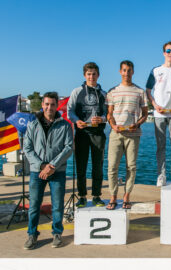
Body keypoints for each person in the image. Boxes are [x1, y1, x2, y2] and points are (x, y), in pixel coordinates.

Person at [23, 92, 73, 249]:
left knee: (57, 205)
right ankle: (32, 235)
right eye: (46, 104)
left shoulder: (64, 125)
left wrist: (52, 166)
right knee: (34, 206)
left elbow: (69, 147)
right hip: (36, 172)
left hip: (57, 172)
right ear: (42, 105)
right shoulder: (32, 125)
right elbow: (27, 148)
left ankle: (57, 234)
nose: (49, 107)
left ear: (56, 105)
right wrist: (41, 166)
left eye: (52, 104)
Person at [106, 60, 148, 210]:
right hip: (116, 134)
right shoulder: (112, 91)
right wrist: (113, 125)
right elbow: (109, 114)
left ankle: (126, 197)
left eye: (129, 70)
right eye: (124, 70)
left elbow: (145, 114)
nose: (126, 73)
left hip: (133, 134)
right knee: (112, 167)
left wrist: (137, 124)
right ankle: (113, 197)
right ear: (120, 72)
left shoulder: (140, 92)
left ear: (133, 72)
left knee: (131, 167)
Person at [146, 39, 171, 187]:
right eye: (168, 51)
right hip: (159, 114)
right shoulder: (155, 70)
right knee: (160, 146)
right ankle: (161, 175)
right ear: (164, 53)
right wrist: (155, 105)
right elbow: (148, 91)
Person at [67, 62, 107, 208]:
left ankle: (96, 196)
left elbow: (108, 114)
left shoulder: (103, 94)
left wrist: (101, 119)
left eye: (94, 74)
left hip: (98, 134)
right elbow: (69, 111)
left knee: (98, 166)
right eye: (89, 74)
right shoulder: (76, 92)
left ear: (98, 75)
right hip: (82, 134)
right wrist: (77, 121)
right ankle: (82, 196)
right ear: (84, 75)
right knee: (81, 166)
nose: (91, 77)